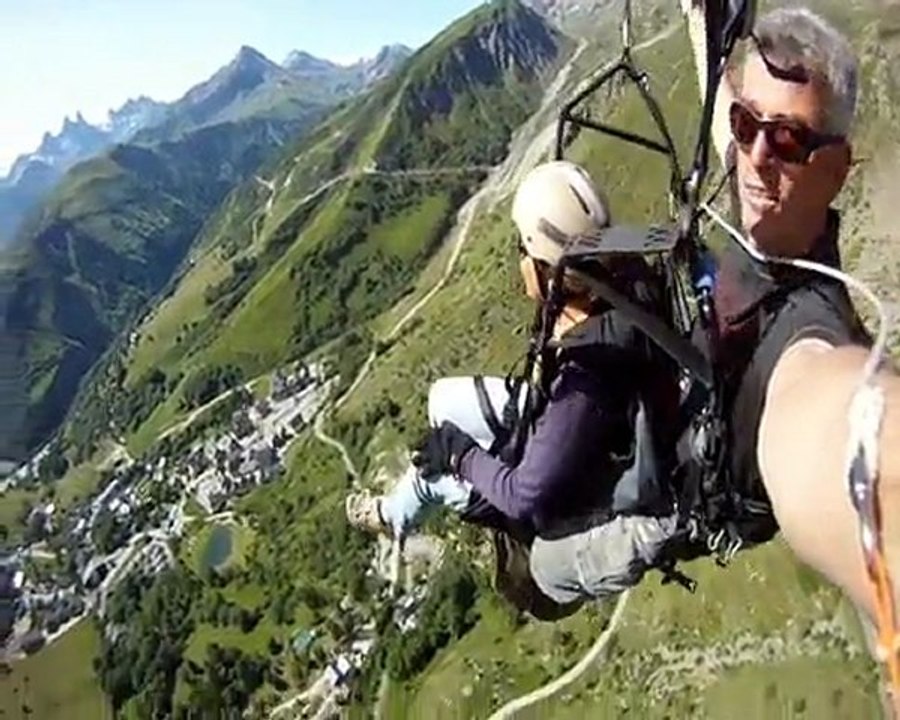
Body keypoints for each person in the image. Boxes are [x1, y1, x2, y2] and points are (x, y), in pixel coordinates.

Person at [540, 0, 900, 700]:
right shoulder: (761, 196)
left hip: (691, 497)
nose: (758, 157)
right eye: (749, 129)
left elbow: (844, 428)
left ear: (838, 169)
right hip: (674, 404)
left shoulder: (808, 330)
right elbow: (729, 109)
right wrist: (701, 25)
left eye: (790, 140)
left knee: (548, 563)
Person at [345, 159, 682, 617]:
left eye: (525, 252)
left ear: (546, 266)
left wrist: (461, 454)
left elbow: (525, 495)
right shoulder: (627, 277)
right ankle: (399, 508)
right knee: (440, 401)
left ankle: (391, 516)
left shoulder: (586, 374)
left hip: (573, 480)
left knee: (434, 477)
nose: (520, 262)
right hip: (596, 431)